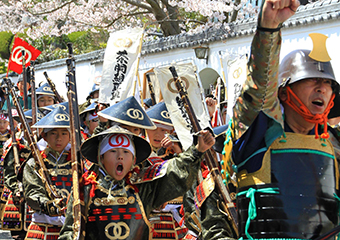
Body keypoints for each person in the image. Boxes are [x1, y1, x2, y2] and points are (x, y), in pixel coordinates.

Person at [203, 0, 340, 238]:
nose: (322, 89)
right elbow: (259, 88)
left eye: (328, 84)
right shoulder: (259, 131)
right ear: (285, 90)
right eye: (311, 80)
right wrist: (268, 29)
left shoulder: (334, 142)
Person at [58, 124, 215, 240]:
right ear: (101, 158)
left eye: (126, 152)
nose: (120, 157)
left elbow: (173, 172)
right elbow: (70, 230)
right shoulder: (85, 188)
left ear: (133, 160)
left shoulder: (143, 187)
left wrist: (197, 151)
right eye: (113, 151)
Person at [22, 106, 71, 240]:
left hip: (73, 227)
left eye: (64, 133)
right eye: (54, 133)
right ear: (44, 136)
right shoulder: (34, 163)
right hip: (42, 226)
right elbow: (32, 191)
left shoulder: (80, 163)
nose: (59, 138)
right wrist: (48, 204)